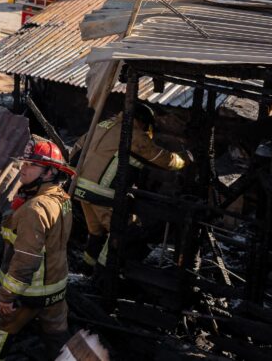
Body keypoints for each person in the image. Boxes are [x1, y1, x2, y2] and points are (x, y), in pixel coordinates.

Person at [0, 137, 74, 360]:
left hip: (29, 292)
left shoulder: (34, 209)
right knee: (57, 339)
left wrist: (6, 297)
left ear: (50, 172)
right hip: (56, 289)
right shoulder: (62, 198)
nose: (23, 168)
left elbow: (26, 260)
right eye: (23, 163)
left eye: (31, 165)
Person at [73, 103, 188, 269]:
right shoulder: (132, 133)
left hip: (81, 189)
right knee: (124, 232)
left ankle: (86, 268)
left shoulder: (102, 125)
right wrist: (183, 161)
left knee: (96, 232)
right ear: (142, 121)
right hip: (103, 195)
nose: (147, 132)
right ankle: (105, 273)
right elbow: (162, 158)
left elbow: (77, 148)